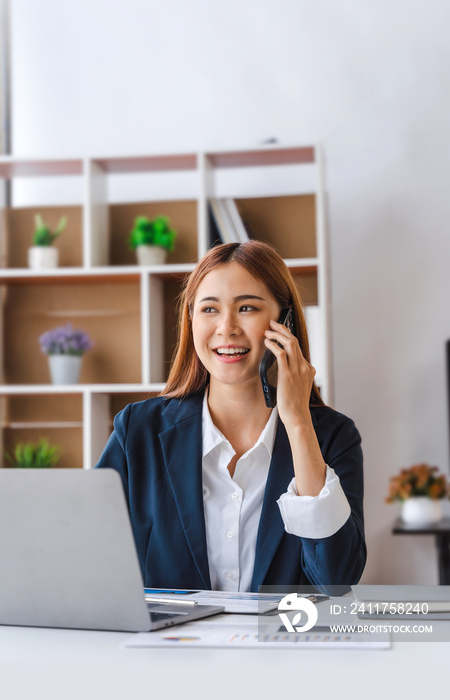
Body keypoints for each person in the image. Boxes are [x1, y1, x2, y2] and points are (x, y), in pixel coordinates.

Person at [95, 240, 366, 592]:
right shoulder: (138, 431)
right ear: (190, 319)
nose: (227, 328)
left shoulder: (333, 437)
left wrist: (298, 422)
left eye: (247, 308)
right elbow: (90, 558)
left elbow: (337, 581)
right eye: (209, 309)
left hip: (282, 644)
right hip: (168, 646)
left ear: (284, 322)